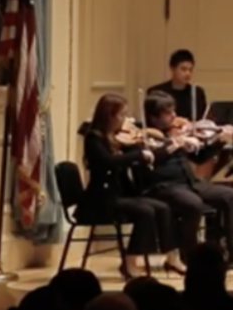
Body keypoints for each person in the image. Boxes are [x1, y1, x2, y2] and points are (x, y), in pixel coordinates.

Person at [77, 93, 184, 278]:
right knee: (146, 211)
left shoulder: (118, 138)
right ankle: (130, 261)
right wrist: (138, 155)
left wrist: (169, 146)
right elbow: (108, 162)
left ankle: (172, 256)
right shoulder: (94, 139)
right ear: (109, 115)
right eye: (121, 115)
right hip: (100, 199)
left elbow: (147, 156)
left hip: (119, 194)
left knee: (163, 208)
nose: (126, 120)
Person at [140, 93, 233, 267]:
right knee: (193, 205)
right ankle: (191, 257)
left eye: (173, 111)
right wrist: (175, 142)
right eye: (167, 113)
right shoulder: (145, 137)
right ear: (153, 117)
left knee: (231, 195)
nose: (174, 116)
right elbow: (153, 158)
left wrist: (220, 141)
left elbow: (199, 158)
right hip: (163, 187)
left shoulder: (176, 133)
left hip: (190, 183)